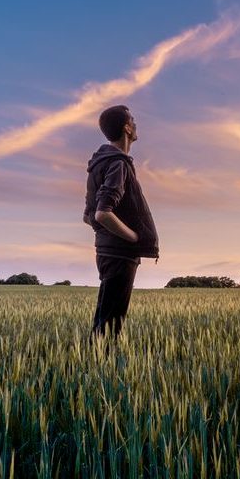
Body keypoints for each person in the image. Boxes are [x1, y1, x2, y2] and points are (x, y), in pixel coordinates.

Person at [84, 104, 159, 340]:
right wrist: (133, 238)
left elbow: (88, 215)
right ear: (127, 127)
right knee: (111, 326)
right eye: (133, 120)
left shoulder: (100, 164)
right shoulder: (118, 163)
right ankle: (98, 371)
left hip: (107, 251)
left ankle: (93, 366)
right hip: (119, 253)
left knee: (105, 320)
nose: (136, 124)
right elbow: (101, 213)